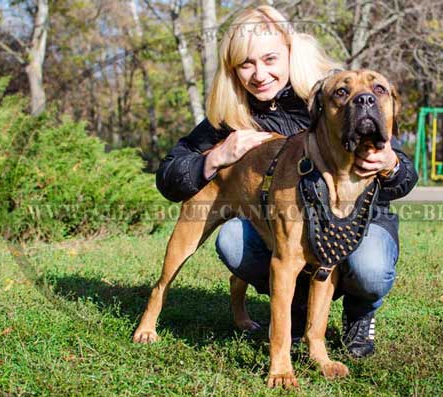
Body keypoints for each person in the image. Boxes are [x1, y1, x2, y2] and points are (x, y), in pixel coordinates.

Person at [156, 5, 418, 358]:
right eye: (246, 64)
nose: (259, 74)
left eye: (269, 59)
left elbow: (404, 175)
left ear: (290, 51)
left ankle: (359, 316)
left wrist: (390, 165)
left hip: (359, 223)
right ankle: (292, 307)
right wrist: (214, 158)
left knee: (369, 267)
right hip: (278, 219)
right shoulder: (232, 112)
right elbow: (170, 177)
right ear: (233, 70)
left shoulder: (336, 90)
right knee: (234, 240)